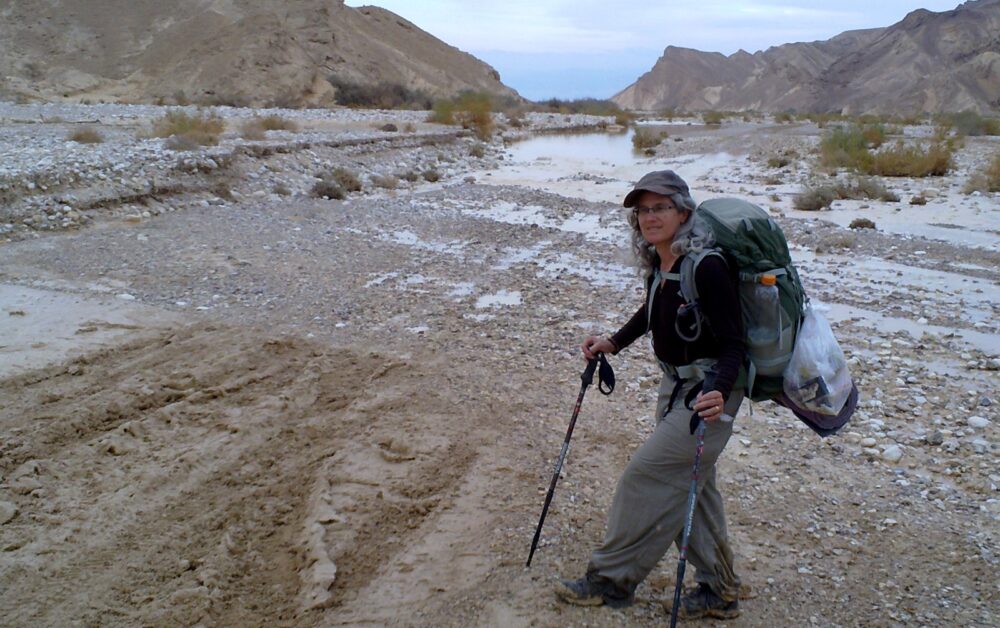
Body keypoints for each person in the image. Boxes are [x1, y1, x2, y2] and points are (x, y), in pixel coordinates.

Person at [555, 170, 745, 620]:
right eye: (642, 209)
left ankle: (610, 581)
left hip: (707, 396)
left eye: (660, 207)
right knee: (691, 489)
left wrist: (718, 392)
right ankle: (719, 590)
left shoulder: (708, 265)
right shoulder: (664, 262)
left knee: (645, 477)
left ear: (684, 212)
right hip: (676, 386)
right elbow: (650, 311)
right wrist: (613, 343)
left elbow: (735, 343)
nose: (649, 217)